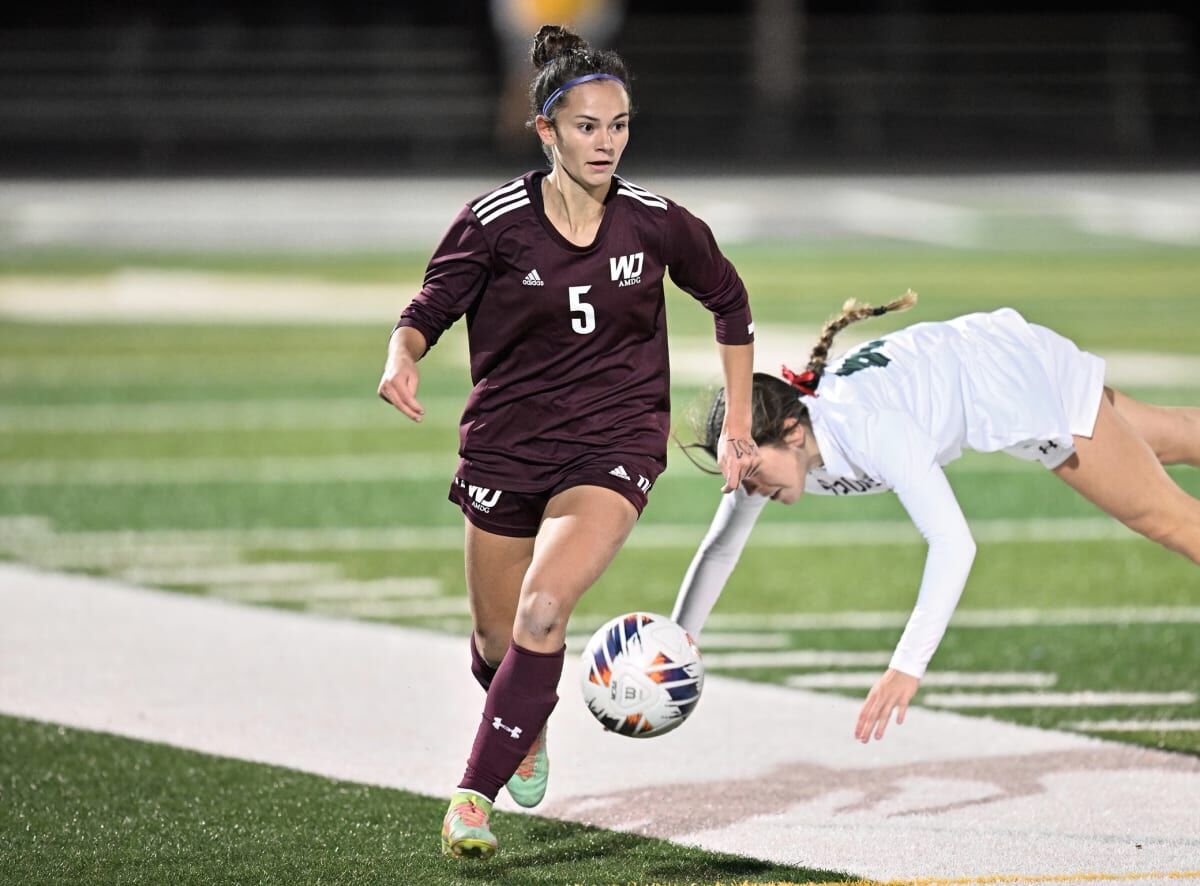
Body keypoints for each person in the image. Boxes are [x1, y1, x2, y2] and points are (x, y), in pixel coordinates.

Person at [377, 24, 759, 860]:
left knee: (544, 609)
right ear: (545, 130)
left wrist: (737, 422)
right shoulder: (491, 223)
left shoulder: (657, 224)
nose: (606, 142)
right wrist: (400, 359)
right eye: (587, 126)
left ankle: (471, 798)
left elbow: (731, 305)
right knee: (493, 640)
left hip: (614, 445)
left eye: (618, 125)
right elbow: (425, 313)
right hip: (506, 447)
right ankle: (525, 720)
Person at [672, 292, 1200, 746]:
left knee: (1169, 521)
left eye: (752, 473)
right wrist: (679, 640)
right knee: (1173, 436)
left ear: (790, 432)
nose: (750, 488)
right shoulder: (778, 448)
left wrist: (906, 666)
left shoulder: (867, 432)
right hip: (995, 349)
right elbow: (720, 548)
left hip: (1010, 381)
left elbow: (953, 544)